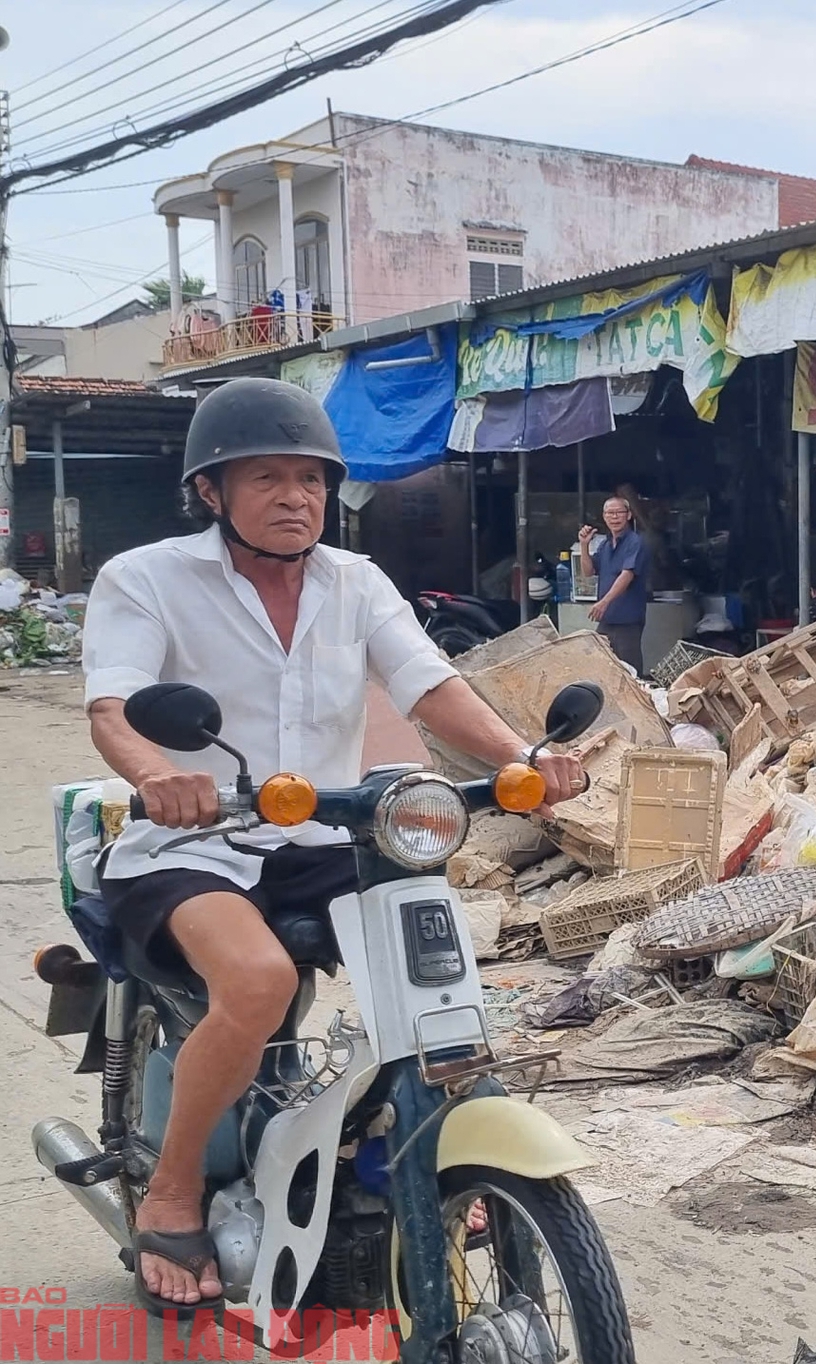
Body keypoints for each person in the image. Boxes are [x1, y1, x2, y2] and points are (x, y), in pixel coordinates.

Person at [81, 378, 586, 1313]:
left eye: (311, 480)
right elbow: (115, 707)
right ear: (211, 492)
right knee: (261, 982)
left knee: (438, 962)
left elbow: (430, 686)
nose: (294, 498)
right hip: (193, 845)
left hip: (327, 831)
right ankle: (174, 1185)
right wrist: (158, 774)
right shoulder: (145, 578)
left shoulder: (358, 582)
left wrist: (525, 757)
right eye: (267, 478)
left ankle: (434, 1136)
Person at [578, 495, 650, 671]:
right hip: (607, 619)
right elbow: (588, 572)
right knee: (603, 667)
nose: (615, 517)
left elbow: (627, 575)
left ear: (629, 515)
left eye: (619, 512)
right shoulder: (605, 544)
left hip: (627, 619)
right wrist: (584, 546)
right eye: (610, 513)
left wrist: (603, 602)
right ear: (604, 517)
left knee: (628, 671)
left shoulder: (636, 542)